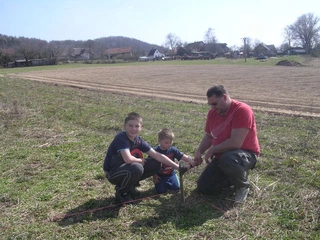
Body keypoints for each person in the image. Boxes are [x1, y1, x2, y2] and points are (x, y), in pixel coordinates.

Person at [103, 112, 189, 203]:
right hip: (112, 173)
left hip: (126, 169)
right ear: (124, 126)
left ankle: (130, 186)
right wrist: (139, 160)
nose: (133, 129)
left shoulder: (138, 140)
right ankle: (122, 193)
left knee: (155, 163)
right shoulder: (121, 138)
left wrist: (178, 167)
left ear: (141, 127)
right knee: (137, 167)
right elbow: (128, 159)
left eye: (136, 126)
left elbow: (157, 155)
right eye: (130, 126)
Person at [194, 85, 260, 204]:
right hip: (222, 156)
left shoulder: (242, 110)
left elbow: (235, 143)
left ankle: (242, 186)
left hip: (245, 155)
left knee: (228, 159)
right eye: (210, 105)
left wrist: (213, 150)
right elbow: (209, 136)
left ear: (224, 97)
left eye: (214, 104)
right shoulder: (212, 113)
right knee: (204, 187)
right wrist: (199, 151)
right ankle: (233, 176)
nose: (213, 107)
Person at [152, 128, 195, 194]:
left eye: (170, 142)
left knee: (176, 188)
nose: (169, 144)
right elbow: (150, 165)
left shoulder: (172, 150)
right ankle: (162, 185)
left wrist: (190, 160)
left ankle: (172, 181)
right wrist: (154, 175)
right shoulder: (155, 151)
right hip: (160, 175)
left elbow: (182, 155)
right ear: (159, 141)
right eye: (166, 142)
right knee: (160, 191)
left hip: (170, 173)